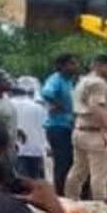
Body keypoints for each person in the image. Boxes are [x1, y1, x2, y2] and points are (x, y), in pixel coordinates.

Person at [64, 55, 107, 203]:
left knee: (78, 171)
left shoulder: (83, 81)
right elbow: (96, 107)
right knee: (100, 175)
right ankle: (100, 208)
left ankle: (70, 202)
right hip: (95, 133)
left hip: (80, 130)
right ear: (98, 65)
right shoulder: (98, 84)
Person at [41, 53, 78, 195]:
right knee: (62, 163)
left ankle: (67, 193)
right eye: (72, 63)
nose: (75, 67)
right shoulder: (56, 79)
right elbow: (46, 93)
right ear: (61, 66)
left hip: (68, 126)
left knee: (70, 162)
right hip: (58, 127)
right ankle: (60, 195)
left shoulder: (69, 82)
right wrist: (58, 105)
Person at [11, 76, 48, 179]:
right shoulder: (38, 107)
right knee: (36, 179)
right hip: (36, 149)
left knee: (20, 180)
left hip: (15, 149)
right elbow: (44, 127)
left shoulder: (8, 105)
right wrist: (46, 145)